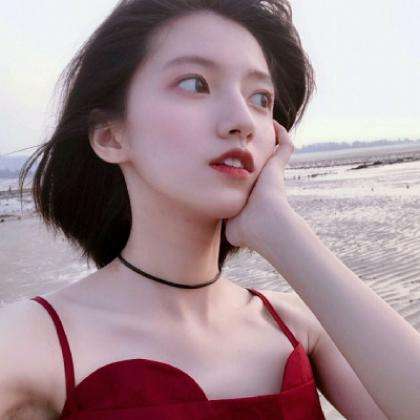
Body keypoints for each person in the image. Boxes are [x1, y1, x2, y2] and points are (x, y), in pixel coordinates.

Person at [3, 0, 417, 419]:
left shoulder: (299, 325)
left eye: (260, 98)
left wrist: (281, 230)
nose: (243, 120)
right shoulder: (29, 341)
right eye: (195, 83)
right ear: (111, 136)